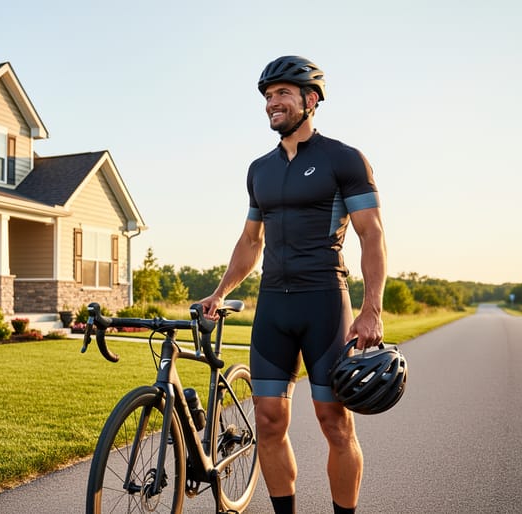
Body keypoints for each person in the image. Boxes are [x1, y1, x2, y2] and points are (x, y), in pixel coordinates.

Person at [200, 56, 387, 514]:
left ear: (311, 99)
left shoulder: (344, 159)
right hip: (273, 309)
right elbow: (250, 241)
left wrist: (372, 308)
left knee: (334, 423)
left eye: (282, 94)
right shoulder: (259, 169)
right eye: (267, 97)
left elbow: (372, 234)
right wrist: (220, 291)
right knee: (267, 420)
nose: (272, 104)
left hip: (325, 302)